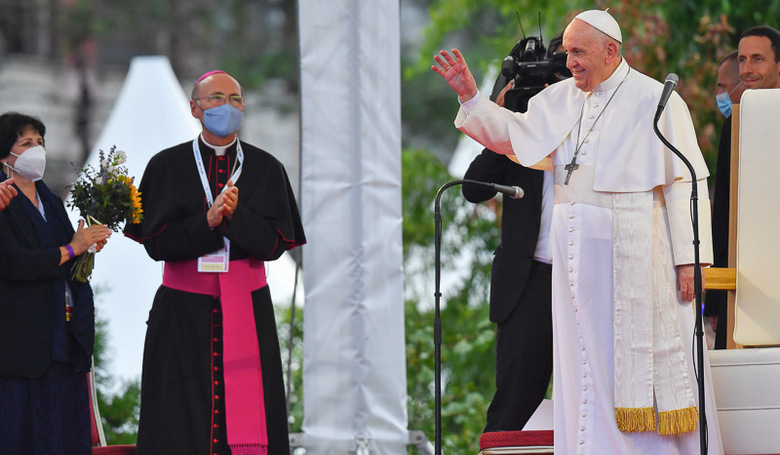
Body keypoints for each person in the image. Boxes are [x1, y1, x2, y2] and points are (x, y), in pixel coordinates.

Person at [433, 9, 724, 454]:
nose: (569, 62)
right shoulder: (560, 100)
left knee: (622, 366)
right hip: (574, 272)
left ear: (611, 50)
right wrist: (473, 99)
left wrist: (689, 260)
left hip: (633, 261)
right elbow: (514, 138)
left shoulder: (656, 100)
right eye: (567, 52)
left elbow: (687, 181)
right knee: (583, 371)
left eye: (578, 52)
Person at [124, 70, 306, 455]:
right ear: (195, 108)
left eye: (236, 99)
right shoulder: (166, 166)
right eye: (217, 98)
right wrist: (205, 222)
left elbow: (275, 244)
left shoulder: (267, 168)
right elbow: (155, 243)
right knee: (176, 414)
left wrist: (235, 219)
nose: (229, 106)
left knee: (249, 406)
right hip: (181, 312)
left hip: (247, 305)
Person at [464, 33, 568, 433]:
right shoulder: (523, 131)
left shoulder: (607, 122)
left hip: (588, 280)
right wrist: (504, 118)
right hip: (530, 283)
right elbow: (474, 189)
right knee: (515, 406)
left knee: (594, 399)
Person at [0, 111, 111, 454]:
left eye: (41, 143)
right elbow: (13, 262)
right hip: (21, 344)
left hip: (61, 338)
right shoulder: (3, 199)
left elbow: (65, 258)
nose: (38, 150)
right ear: (5, 155)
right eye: (27, 143)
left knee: (63, 434)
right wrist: (70, 248)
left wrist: (85, 248)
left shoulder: (48, 197)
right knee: (23, 436)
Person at [707, 26, 780, 349]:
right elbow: (723, 214)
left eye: (758, 59)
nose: (747, 69)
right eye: (743, 59)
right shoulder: (734, 122)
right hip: (745, 287)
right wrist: (716, 297)